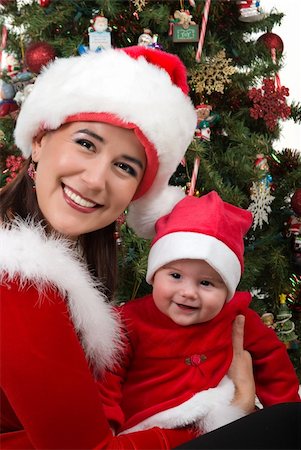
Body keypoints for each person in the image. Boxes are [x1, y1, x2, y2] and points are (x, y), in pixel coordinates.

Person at [0, 46, 256, 450]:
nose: (96, 178)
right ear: (40, 140)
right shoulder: (20, 279)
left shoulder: (66, 272)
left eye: (125, 166)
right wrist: (227, 411)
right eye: (86, 143)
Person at [99, 192, 300, 436]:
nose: (188, 292)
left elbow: (272, 361)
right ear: (153, 275)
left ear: (227, 289)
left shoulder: (236, 318)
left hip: (215, 421)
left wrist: (286, 416)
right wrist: (106, 424)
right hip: (146, 428)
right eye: (175, 276)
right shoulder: (130, 320)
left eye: (206, 283)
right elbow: (107, 377)